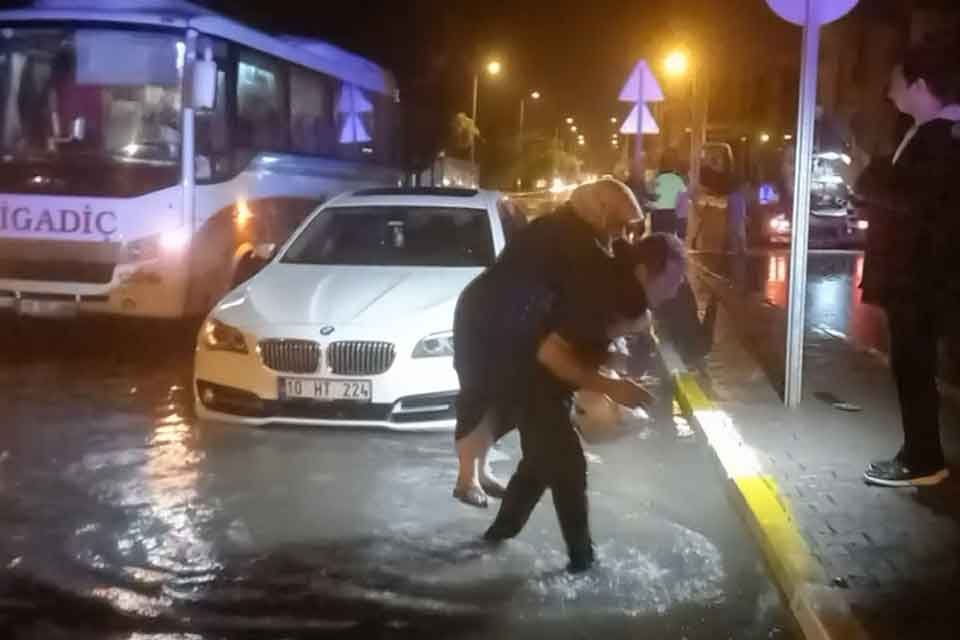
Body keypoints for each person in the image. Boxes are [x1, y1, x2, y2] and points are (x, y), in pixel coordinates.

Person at [452, 179, 655, 572]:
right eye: (620, 223)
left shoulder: (578, 235)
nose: (622, 233)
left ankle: (498, 535)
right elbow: (595, 296)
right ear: (599, 210)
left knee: (543, 456)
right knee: (561, 457)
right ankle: (582, 561)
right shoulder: (572, 241)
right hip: (504, 342)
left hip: (527, 351)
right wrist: (609, 380)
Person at [856, 38, 960, 487]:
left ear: (919, 84)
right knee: (912, 367)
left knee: (915, 368)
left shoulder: (943, 138)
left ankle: (924, 461)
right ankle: (919, 454)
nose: (888, 90)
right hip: (916, 280)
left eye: (896, 81)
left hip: (923, 281)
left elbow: (913, 201)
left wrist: (865, 176)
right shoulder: (924, 133)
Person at [646, 148, 687, 235]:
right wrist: (681, 228)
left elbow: (649, 199)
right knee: (668, 241)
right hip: (670, 215)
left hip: (656, 215)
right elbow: (682, 205)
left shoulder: (654, 179)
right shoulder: (678, 180)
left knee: (657, 241)